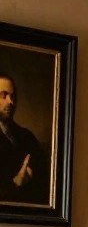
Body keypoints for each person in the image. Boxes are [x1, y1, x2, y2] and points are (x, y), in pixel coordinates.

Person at [0, 75, 49, 204]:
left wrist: (31, 172)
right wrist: (15, 183)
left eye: (13, 96)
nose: (10, 102)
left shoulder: (26, 136)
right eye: (3, 95)